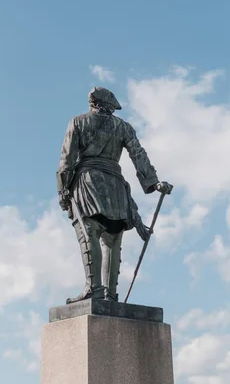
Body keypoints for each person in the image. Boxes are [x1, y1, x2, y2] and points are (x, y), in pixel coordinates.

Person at [57, 86, 173, 304]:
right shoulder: (123, 127)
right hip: (115, 186)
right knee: (112, 240)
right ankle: (110, 294)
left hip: (88, 182)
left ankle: (94, 289)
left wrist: (63, 191)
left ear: (92, 103)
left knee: (88, 233)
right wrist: (153, 182)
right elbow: (138, 154)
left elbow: (66, 161)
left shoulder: (78, 122)